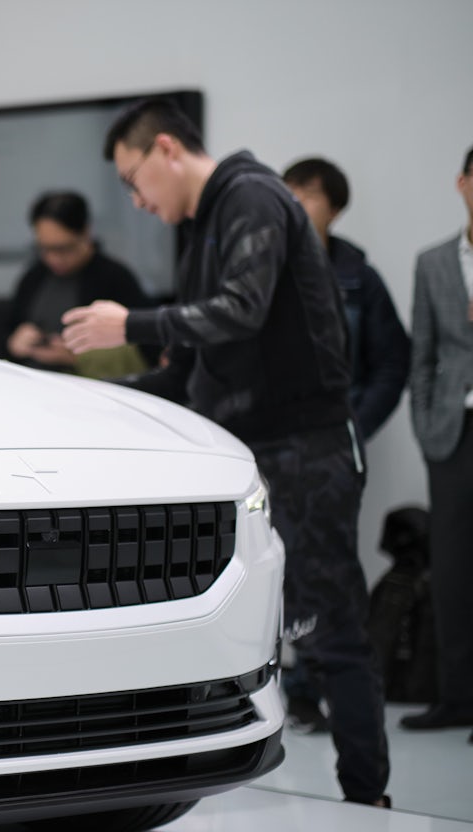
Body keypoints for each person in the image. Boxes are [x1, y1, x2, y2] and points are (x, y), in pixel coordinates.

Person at [61, 98, 390, 806]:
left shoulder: (249, 197)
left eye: (132, 178)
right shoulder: (205, 225)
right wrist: (86, 398)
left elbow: (243, 307)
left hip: (307, 452)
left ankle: (368, 804)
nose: (136, 200)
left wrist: (130, 322)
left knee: (329, 633)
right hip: (246, 458)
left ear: (168, 150)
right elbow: (190, 367)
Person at [279, 157, 412, 733]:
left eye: (309, 196)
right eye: (291, 194)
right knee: (278, 566)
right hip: (273, 445)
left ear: (334, 206)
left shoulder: (360, 278)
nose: (298, 205)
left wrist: (355, 424)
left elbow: (392, 362)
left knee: (330, 567)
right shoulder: (268, 267)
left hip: (334, 449)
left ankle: (334, 690)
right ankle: (291, 686)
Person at [402, 143, 473, 741]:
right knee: (450, 568)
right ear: (461, 183)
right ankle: (456, 696)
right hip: (452, 432)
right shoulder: (433, 262)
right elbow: (420, 355)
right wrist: (425, 426)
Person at [6, 190, 154, 379]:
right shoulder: (34, 277)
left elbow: (145, 352)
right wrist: (15, 342)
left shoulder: (115, 278)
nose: (53, 259)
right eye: (44, 249)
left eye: (63, 249)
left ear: (85, 232)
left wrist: (76, 358)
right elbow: (9, 331)